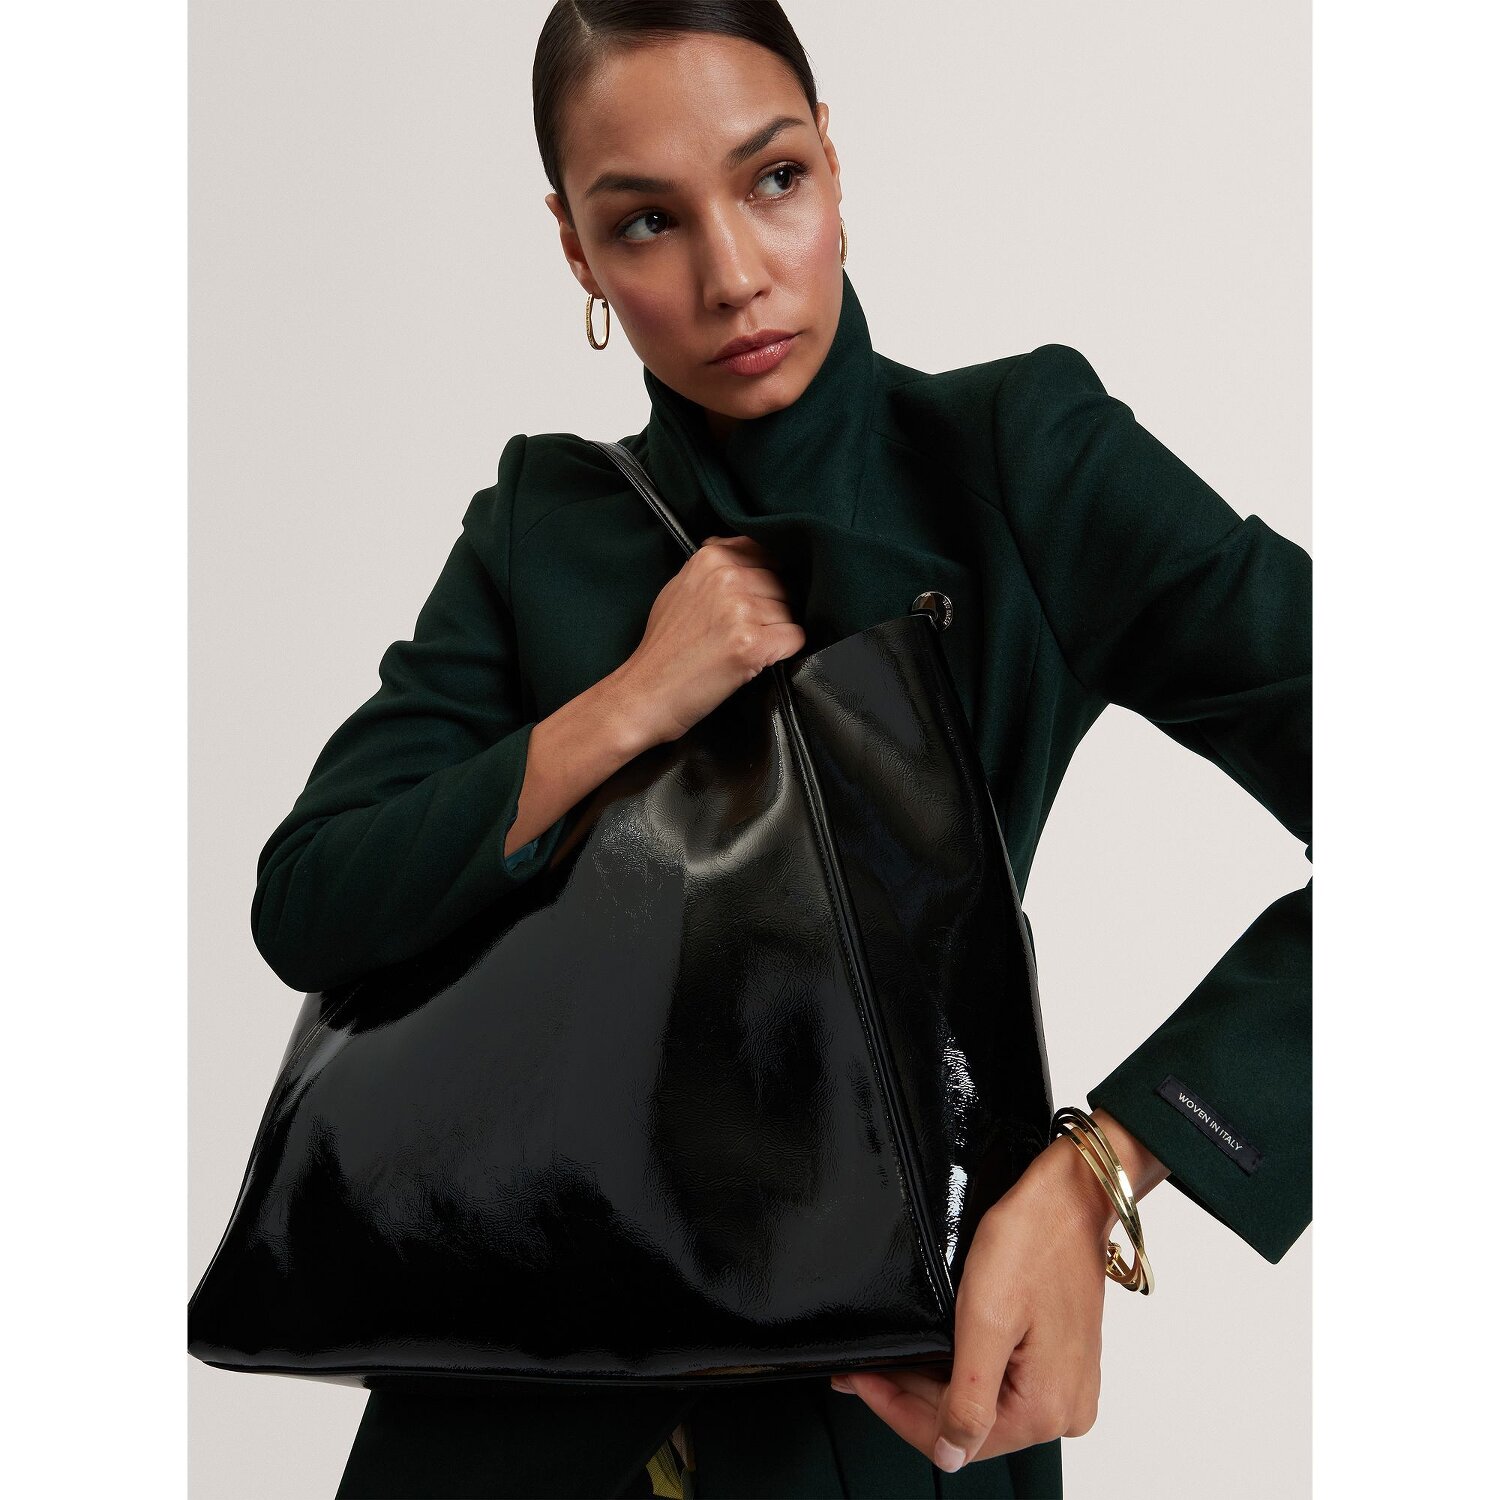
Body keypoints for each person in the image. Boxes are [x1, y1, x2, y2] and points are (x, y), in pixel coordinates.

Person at [250, 2, 1311, 1495]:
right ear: (577, 253)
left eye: (772, 180)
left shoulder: (1021, 459)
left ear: (834, 167)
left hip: (885, 1407)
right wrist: (634, 698)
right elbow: (310, 899)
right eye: (645, 222)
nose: (734, 274)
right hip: (514, 1410)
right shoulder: (538, 530)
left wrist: (1104, 1176)